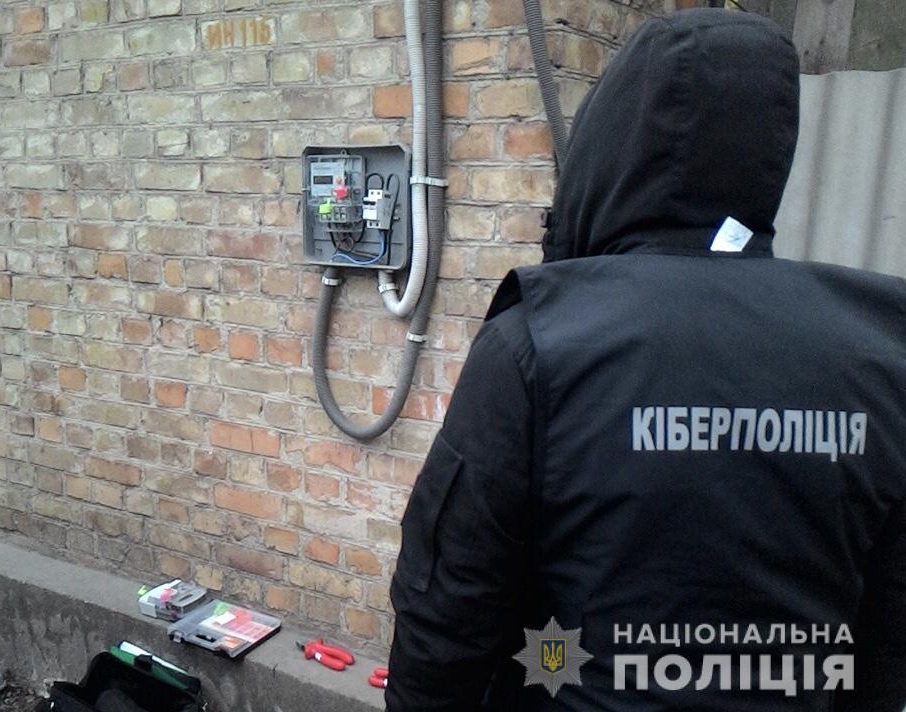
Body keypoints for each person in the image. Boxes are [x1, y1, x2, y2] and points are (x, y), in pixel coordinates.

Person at [387, 8, 906, 711]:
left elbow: (446, 619)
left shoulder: (541, 343)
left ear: (610, 144)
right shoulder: (881, 353)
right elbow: (884, 647)